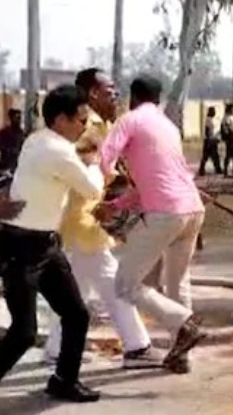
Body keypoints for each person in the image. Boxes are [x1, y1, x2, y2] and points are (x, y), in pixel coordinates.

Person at [0, 85, 104, 415]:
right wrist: (97, 164)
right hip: (21, 249)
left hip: (46, 244)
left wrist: (83, 159)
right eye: (81, 120)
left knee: (76, 313)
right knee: (23, 333)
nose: (85, 127)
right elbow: (91, 190)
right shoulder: (58, 151)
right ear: (61, 120)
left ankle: (63, 381)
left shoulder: (38, 139)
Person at [44, 68, 163, 369]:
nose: (116, 95)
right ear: (94, 93)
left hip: (80, 220)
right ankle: (137, 348)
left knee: (78, 289)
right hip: (83, 219)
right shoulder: (87, 127)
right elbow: (87, 168)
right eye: (110, 90)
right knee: (115, 285)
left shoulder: (102, 124)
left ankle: (57, 347)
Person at [96, 76, 207, 375]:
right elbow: (152, 183)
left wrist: (99, 189)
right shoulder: (168, 126)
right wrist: (116, 206)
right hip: (193, 209)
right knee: (177, 282)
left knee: (125, 284)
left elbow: (104, 159)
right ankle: (181, 354)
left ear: (133, 97)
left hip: (165, 214)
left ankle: (184, 324)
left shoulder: (129, 120)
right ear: (157, 99)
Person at [0, 108, 25, 173]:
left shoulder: (21, 132)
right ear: (11, 118)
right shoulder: (3, 132)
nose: (19, 120)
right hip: (5, 165)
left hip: (17, 165)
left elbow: (22, 146)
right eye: (17, 117)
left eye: (20, 118)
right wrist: (9, 150)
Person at [197, 106, 223, 176]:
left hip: (214, 139)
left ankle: (218, 169)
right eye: (212, 111)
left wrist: (218, 137)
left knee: (215, 156)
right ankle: (201, 170)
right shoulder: (208, 120)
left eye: (214, 111)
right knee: (206, 156)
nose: (214, 112)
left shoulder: (215, 119)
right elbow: (207, 130)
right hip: (209, 140)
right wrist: (208, 139)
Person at [220, 103, 233, 178]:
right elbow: (228, 128)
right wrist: (232, 136)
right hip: (230, 138)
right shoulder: (227, 118)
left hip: (232, 137)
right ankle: (228, 171)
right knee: (230, 155)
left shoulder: (231, 117)